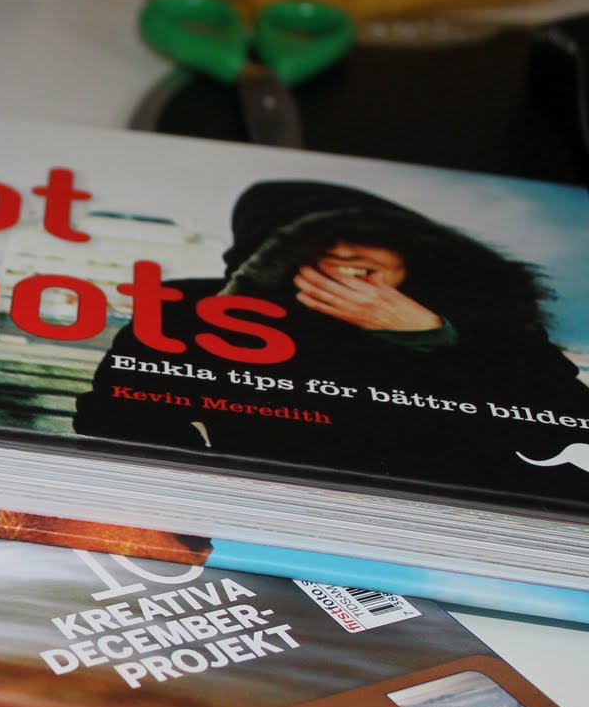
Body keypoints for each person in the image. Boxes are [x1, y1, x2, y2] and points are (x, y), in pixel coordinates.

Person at [73, 180, 589, 502]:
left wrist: (434, 338)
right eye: (319, 246)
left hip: (457, 515)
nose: (344, 256)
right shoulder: (191, 309)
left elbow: (561, 428)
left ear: (411, 257)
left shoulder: (489, 329)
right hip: (272, 513)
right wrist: (218, 495)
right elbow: (117, 416)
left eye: (368, 247)